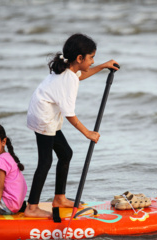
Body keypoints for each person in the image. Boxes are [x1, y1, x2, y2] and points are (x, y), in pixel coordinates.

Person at [25, 33, 119, 218]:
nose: (93, 61)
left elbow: (81, 75)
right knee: (45, 162)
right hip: (44, 118)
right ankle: (31, 207)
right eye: (92, 57)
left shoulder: (67, 69)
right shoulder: (68, 79)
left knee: (66, 154)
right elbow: (70, 115)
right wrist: (88, 133)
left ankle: (59, 198)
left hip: (43, 114)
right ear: (79, 58)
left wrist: (103, 66)